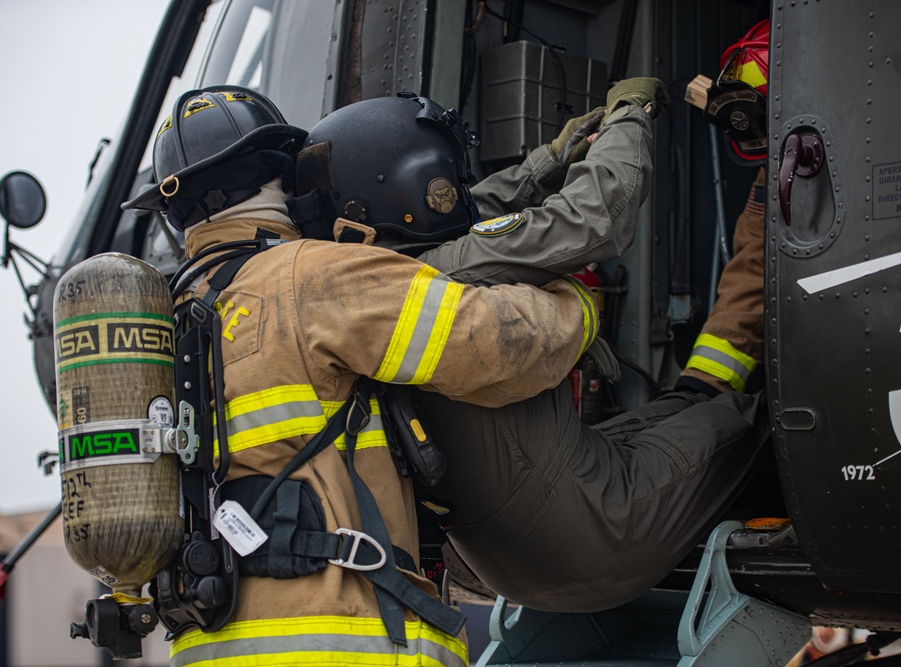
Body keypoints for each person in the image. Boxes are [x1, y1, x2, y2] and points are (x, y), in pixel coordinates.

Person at [122, 86, 606, 667]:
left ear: (173, 211)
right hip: (343, 642)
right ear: (284, 172)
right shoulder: (314, 277)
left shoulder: (161, 322)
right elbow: (499, 346)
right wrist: (583, 303)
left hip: (209, 648)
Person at [290, 73, 772, 612]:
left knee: (682, 408)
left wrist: (549, 160)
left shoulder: (369, 280)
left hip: (513, 570)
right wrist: (630, 114)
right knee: (756, 420)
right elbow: (597, 214)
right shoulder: (455, 271)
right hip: (603, 537)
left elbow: (474, 214)